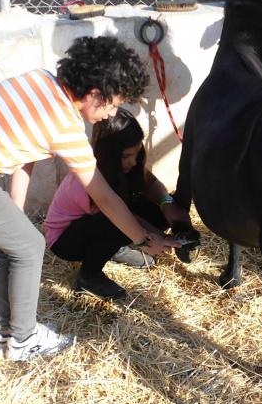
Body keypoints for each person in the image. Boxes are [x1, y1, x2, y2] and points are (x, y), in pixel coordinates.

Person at [0, 36, 179, 361]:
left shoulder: (39, 82)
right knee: (29, 246)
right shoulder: (65, 124)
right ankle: (23, 340)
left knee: (13, 245)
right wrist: (142, 240)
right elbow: (105, 197)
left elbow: (22, 148)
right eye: (111, 104)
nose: (110, 113)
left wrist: (15, 208)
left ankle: (7, 333)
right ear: (94, 94)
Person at [44, 109, 193, 300]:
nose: (133, 161)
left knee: (153, 213)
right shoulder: (88, 179)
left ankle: (113, 249)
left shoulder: (127, 166)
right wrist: (155, 238)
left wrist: (167, 203)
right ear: (109, 154)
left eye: (137, 154)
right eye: (126, 156)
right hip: (65, 240)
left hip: (104, 220)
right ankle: (89, 276)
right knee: (114, 224)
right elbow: (120, 217)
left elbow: (151, 184)